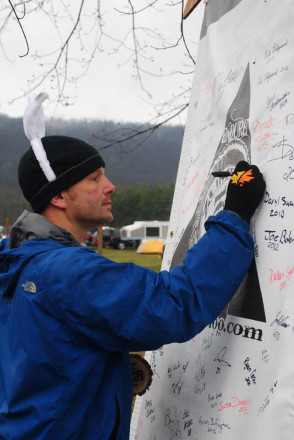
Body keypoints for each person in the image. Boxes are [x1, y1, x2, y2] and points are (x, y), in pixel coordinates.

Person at [0, 94, 266, 440]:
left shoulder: (19, 261)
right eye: (93, 179)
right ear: (58, 197)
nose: (110, 187)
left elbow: (40, 356)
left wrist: (103, 368)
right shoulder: (66, 271)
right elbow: (175, 304)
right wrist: (235, 216)